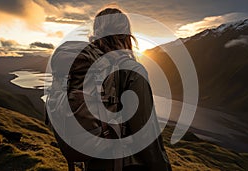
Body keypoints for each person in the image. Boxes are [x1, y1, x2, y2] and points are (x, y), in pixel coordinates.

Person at [65, 7, 172, 171]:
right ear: (126, 33)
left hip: (95, 163)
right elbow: (145, 135)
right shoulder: (132, 70)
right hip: (127, 164)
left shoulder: (90, 68)